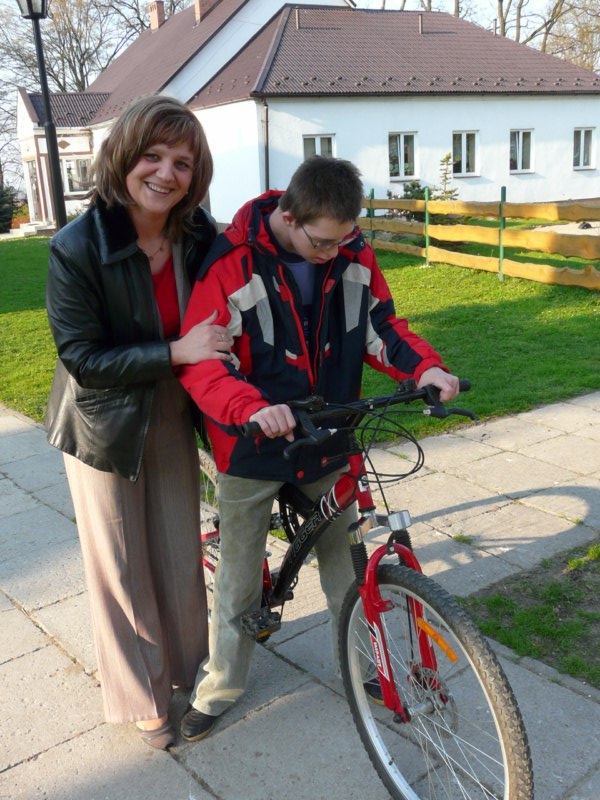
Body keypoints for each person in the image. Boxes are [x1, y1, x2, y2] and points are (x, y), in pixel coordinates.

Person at [177, 155, 460, 742]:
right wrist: (250, 408)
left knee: (345, 564)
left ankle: (365, 665)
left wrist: (425, 369)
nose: (334, 252)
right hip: (251, 443)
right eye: (323, 242)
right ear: (288, 216)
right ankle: (221, 685)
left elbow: (384, 327)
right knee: (238, 578)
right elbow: (205, 362)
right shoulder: (232, 262)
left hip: (328, 432)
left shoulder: (351, 252)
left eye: (345, 239)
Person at [45, 95, 232, 750]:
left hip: (174, 409)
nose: (166, 173)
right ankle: (142, 695)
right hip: (104, 421)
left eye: (182, 162)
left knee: (179, 548)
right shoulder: (77, 246)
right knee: (122, 563)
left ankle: (188, 667)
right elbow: (83, 358)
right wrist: (176, 351)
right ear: (124, 156)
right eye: (152, 155)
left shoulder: (198, 233)